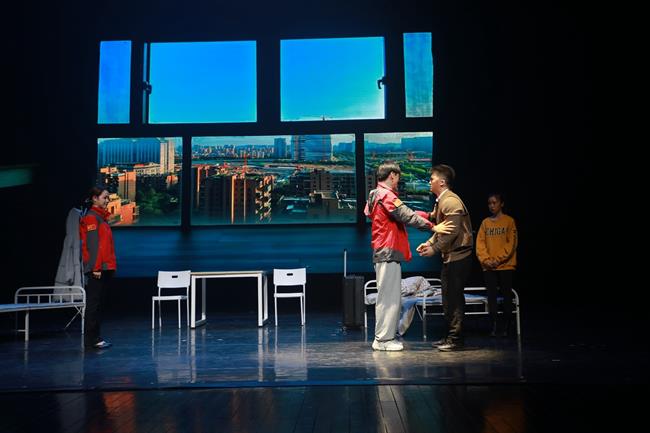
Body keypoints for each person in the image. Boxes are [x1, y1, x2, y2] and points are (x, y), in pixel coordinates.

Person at [364, 162, 453, 351]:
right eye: (398, 177)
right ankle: (384, 340)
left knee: (388, 297)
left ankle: (382, 338)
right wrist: (433, 227)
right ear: (392, 175)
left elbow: (404, 212)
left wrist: (427, 215)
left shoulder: (375, 194)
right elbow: (406, 215)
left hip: (384, 251)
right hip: (388, 252)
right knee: (389, 299)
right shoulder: (386, 195)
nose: (399, 181)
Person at [416, 164, 473, 352]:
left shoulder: (450, 201)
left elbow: (452, 231)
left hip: (459, 257)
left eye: (431, 179)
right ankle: (450, 336)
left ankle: (456, 339)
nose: (429, 182)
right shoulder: (441, 201)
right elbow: (441, 228)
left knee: (454, 299)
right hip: (450, 257)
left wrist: (434, 249)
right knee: (448, 299)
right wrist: (429, 243)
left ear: (441, 182)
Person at [475, 193, 518, 337]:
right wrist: (487, 260)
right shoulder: (485, 223)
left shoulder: (509, 221)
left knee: (506, 295)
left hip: (505, 265)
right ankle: (494, 324)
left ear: (501, 204)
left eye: (494, 203)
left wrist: (498, 260)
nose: (492, 206)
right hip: (488, 267)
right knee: (491, 296)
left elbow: (511, 244)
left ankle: (507, 325)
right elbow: (480, 245)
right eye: (489, 203)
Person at [79, 186, 117, 349]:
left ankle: (95, 338)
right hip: (98, 268)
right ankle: (91, 339)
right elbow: (93, 245)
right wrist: (95, 268)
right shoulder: (91, 218)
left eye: (108, 197)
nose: (107, 200)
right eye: (104, 197)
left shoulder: (101, 218)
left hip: (104, 267)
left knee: (98, 303)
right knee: (94, 303)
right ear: (95, 198)